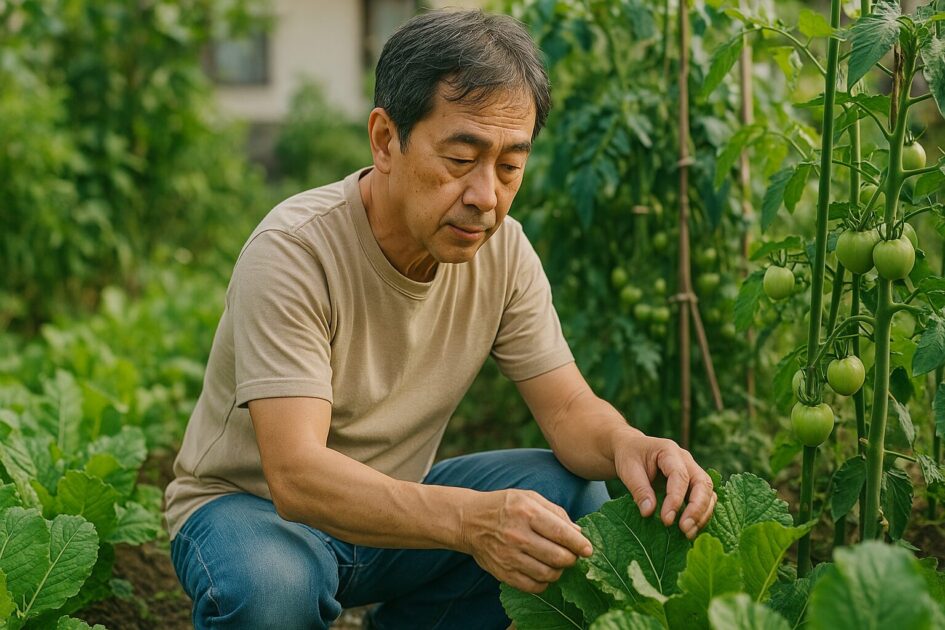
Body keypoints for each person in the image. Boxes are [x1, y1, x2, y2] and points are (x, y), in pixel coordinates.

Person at [165, 9, 716, 630]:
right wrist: (467, 521)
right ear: (385, 141)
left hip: (390, 519)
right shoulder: (296, 252)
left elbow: (566, 410)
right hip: (256, 516)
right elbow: (296, 475)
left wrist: (630, 445)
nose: (486, 196)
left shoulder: (504, 251)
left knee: (569, 500)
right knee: (270, 590)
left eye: (510, 166)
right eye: (461, 158)